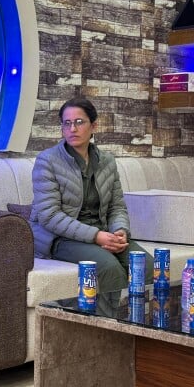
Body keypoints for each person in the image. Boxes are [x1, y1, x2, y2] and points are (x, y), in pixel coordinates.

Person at [30, 97, 152, 292]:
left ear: (93, 126)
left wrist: (120, 231)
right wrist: (96, 236)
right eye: (67, 123)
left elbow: (116, 206)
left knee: (147, 266)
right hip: (60, 238)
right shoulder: (47, 161)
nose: (72, 129)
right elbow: (49, 216)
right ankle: (115, 313)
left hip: (102, 232)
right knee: (109, 269)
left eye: (79, 122)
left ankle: (145, 311)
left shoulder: (107, 161)